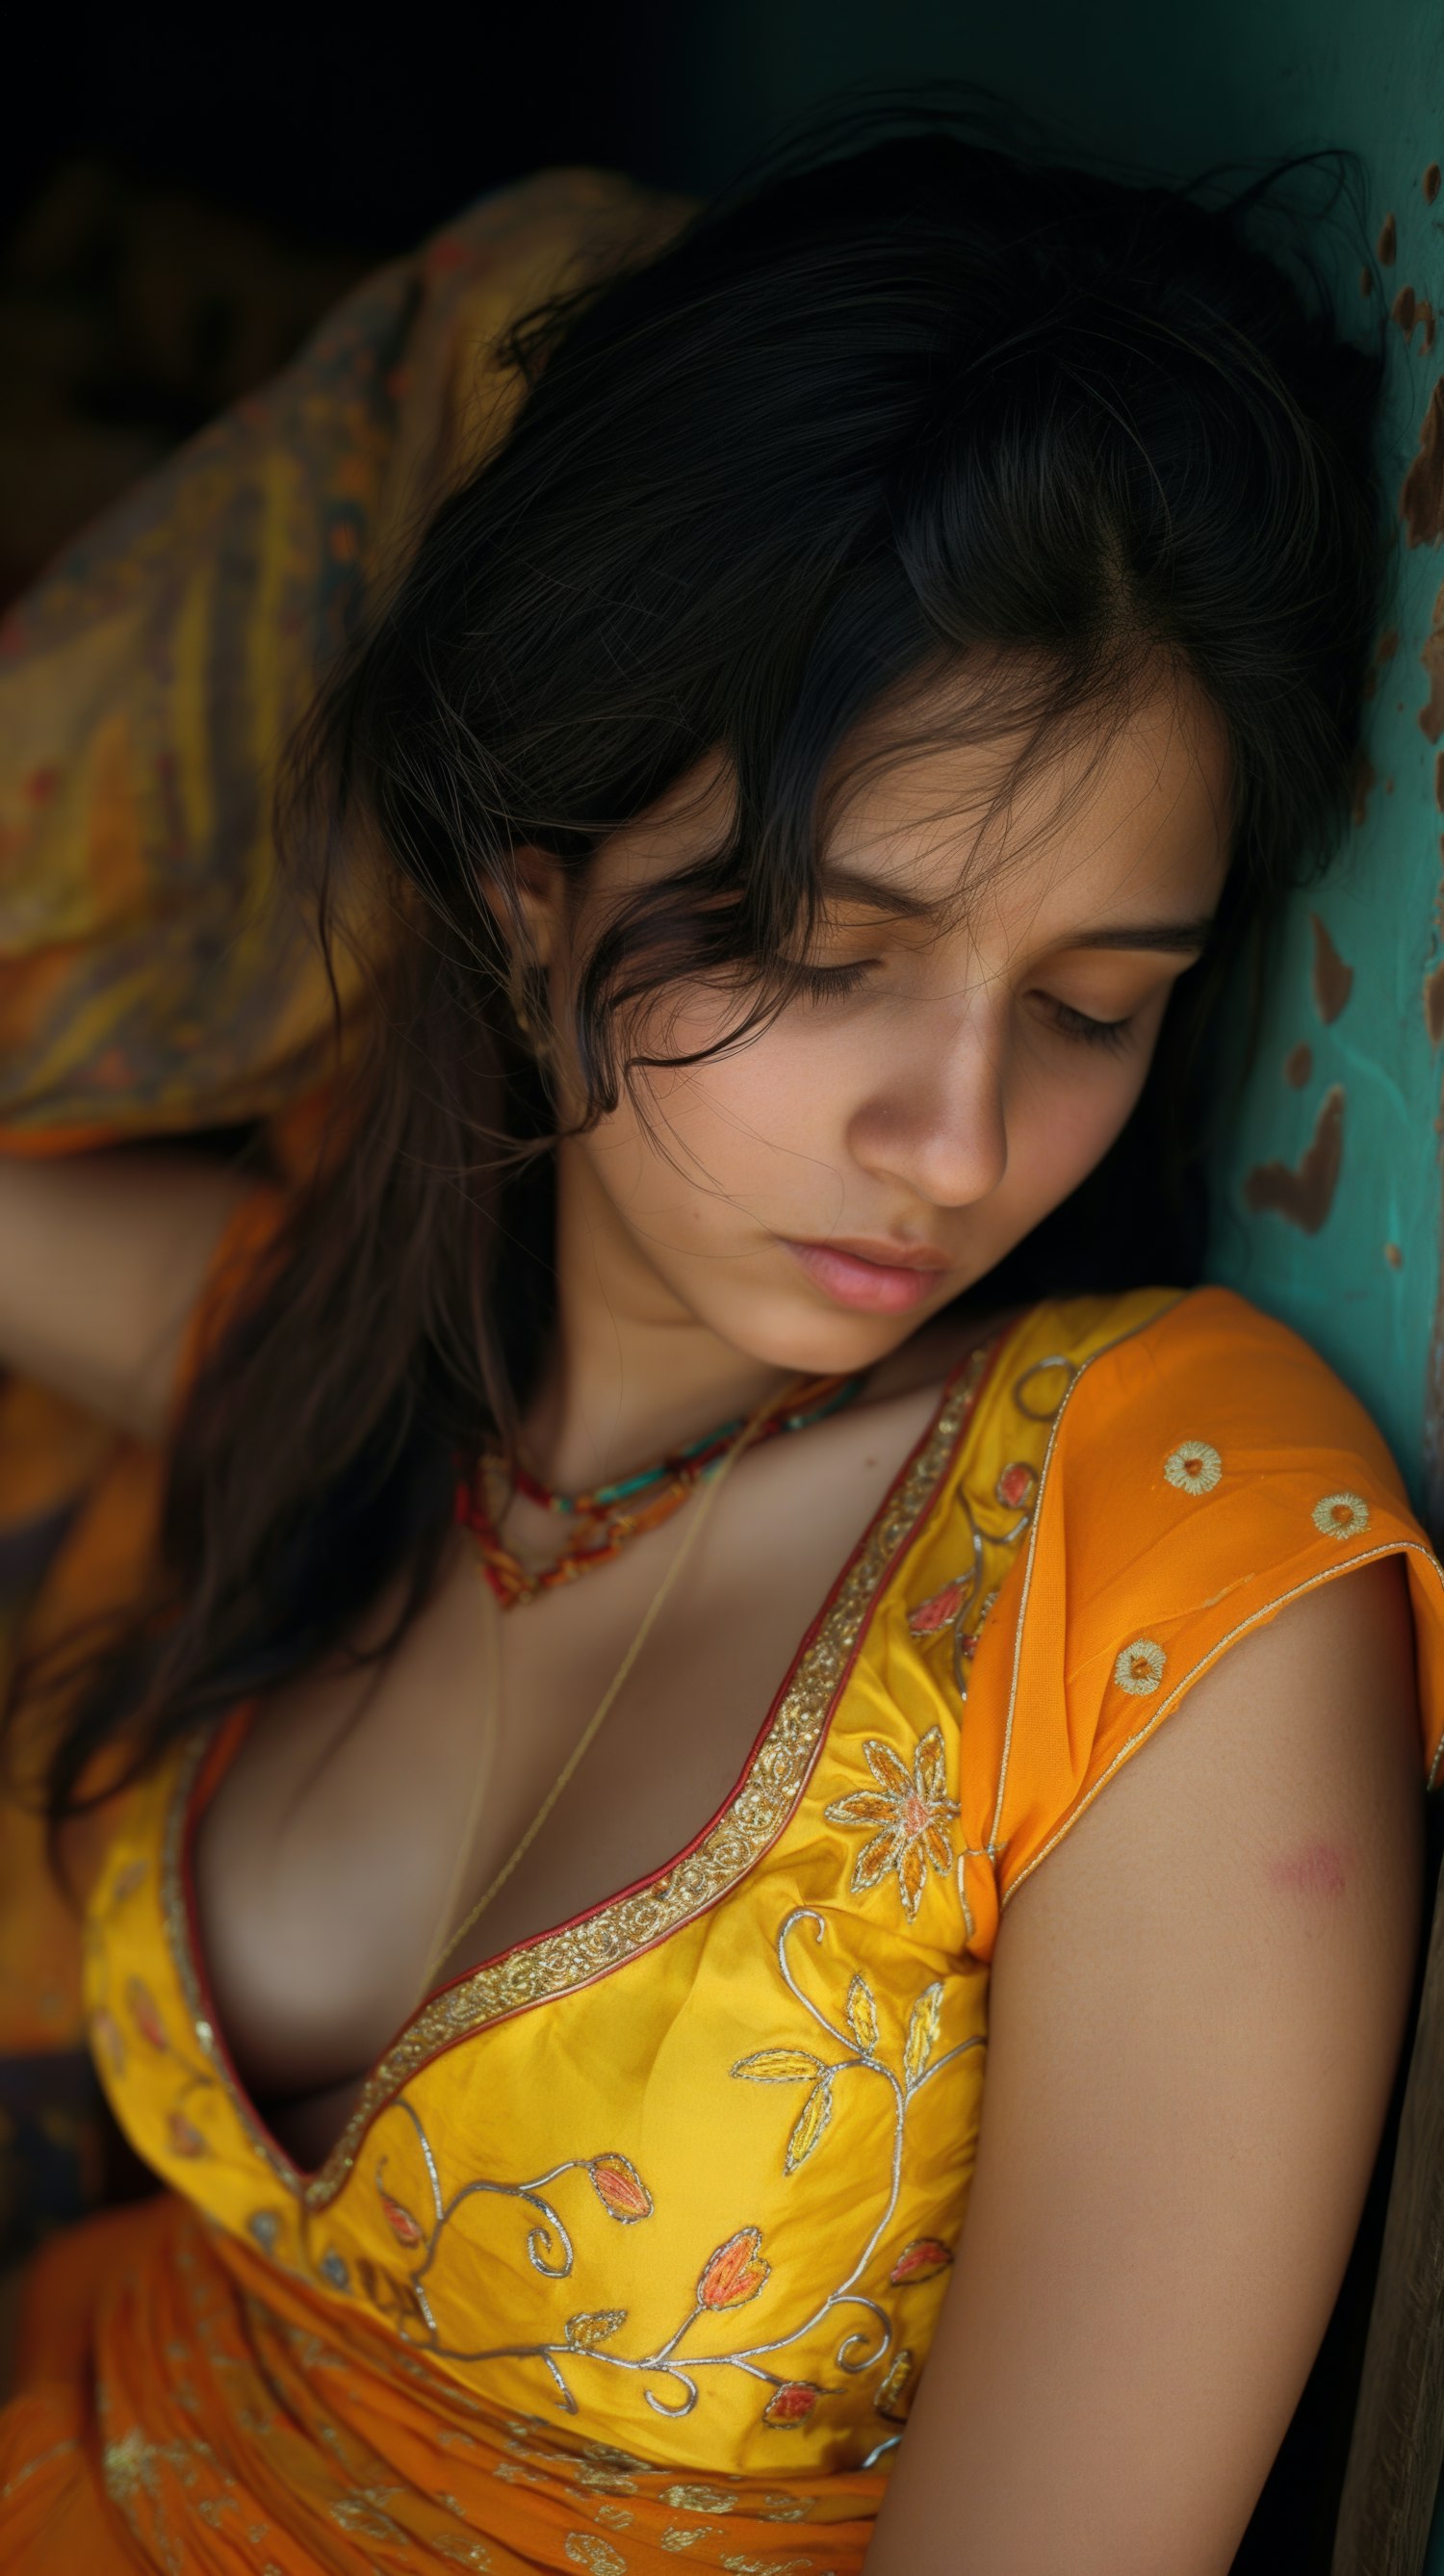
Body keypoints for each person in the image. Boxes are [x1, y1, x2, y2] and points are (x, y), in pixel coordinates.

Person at [0, 104, 1439, 2576]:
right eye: (821, 958)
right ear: (524, 887)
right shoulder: (334, 1364)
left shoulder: (1144, 1550)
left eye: (1095, 1007)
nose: (960, 1140)